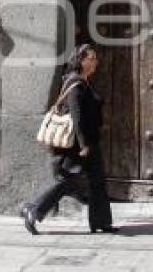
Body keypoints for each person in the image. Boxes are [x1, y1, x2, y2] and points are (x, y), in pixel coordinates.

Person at [20, 43, 118, 234]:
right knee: (68, 182)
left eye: (95, 58)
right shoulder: (75, 84)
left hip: (90, 140)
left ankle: (101, 222)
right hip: (77, 145)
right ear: (81, 60)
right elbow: (77, 116)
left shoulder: (84, 82)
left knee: (97, 180)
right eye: (92, 58)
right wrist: (83, 144)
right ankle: (33, 209)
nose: (95, 62)